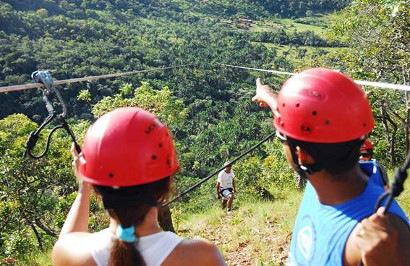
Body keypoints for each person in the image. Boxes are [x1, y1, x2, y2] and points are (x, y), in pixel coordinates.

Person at [252, 68, 410, 265]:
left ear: (303, 155)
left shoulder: (380, 240)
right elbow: (302, 121)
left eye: (281, 137)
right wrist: (268, 95)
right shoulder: (325, 176)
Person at [52, 107, 225, 266]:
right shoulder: (201, 256)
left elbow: (67, 239)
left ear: (97, 191)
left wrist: (84, 185)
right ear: (165, 188)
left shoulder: (71, 256)